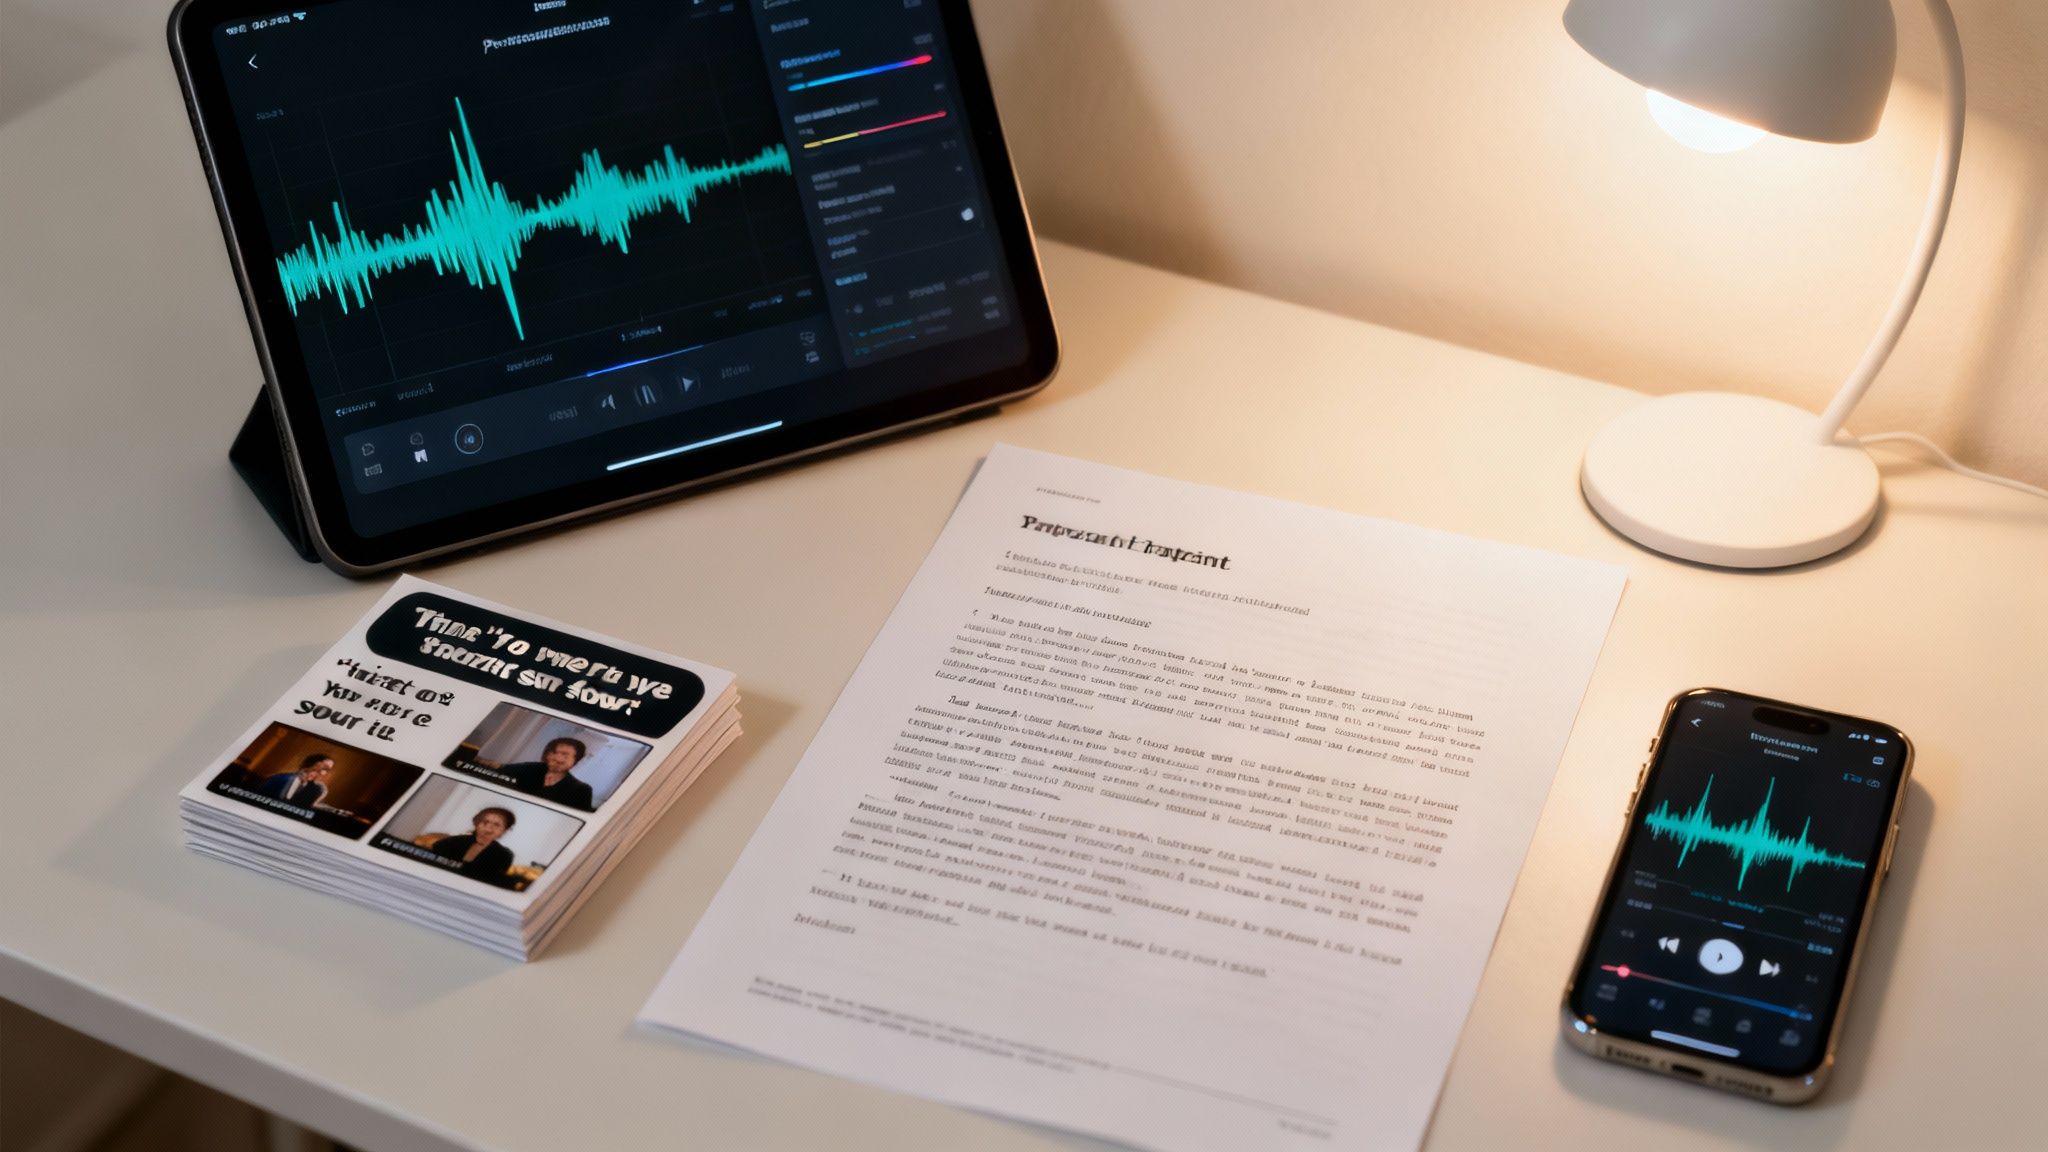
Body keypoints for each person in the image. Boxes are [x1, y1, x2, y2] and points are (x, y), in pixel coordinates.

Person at [499, 736, 596, 811]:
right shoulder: (529, 768)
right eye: (554, 753)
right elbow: (500, 771)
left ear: (575, 760)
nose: (558, 758)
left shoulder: (582, 790)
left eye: (565, 755)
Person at [429, 806, 519, 886]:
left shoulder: (504, 855)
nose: (488, 828)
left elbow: (489, 881)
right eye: (485, 822)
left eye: (496, 825)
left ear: (504, 831)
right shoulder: (453, 841)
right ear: (477, 824)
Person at [255, 753, 333, 809]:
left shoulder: (313, 788)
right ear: (312, 764)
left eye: (327, 770)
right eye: (324, 768)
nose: (323, 773)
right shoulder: (281, 778)